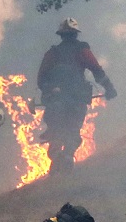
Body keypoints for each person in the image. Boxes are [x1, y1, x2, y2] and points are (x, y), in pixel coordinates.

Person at [37, 18, 117, 174]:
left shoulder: (52, 53)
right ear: (76, 34)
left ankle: (56, 148)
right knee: (73, 130)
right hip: (76, 99)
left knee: (54, 129)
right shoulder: (82, 50)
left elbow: (41, 79)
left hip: (56, 101)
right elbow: (97, 70)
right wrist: (109, 88)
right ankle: (67, 155)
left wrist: (50, 90)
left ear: (61, 35)